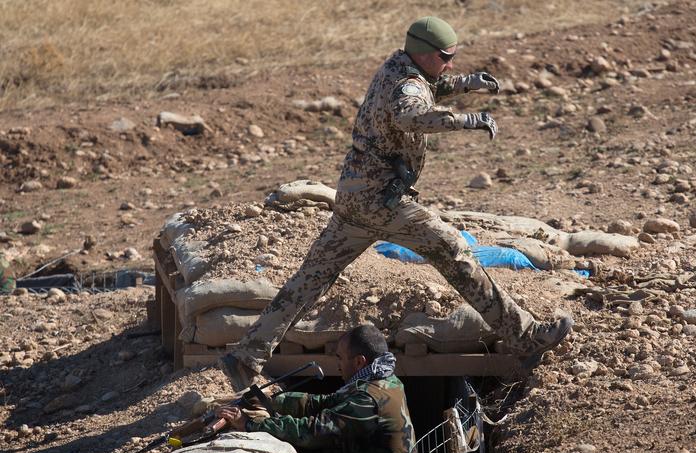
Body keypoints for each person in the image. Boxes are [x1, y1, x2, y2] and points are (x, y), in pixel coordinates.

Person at [220, 16, 573, 391]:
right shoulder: (406, 85)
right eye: (445, 57)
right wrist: (466, 120)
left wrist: (466, 84)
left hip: (355, 197)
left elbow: (429, 85)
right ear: (424, 52)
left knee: (310, 280)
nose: (449, 63)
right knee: (454, 252)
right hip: (382, 202)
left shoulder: (397, 66)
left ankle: (246, 357)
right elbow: (411, 113)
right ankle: (525, 336)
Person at [216, 324, 416, 453]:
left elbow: (313, 432)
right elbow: (326, 402)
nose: (338, 366)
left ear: (359, 362)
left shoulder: (367, 400)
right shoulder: (386, 381)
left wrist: (250, 423)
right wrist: (273, 400)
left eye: (340, 358)